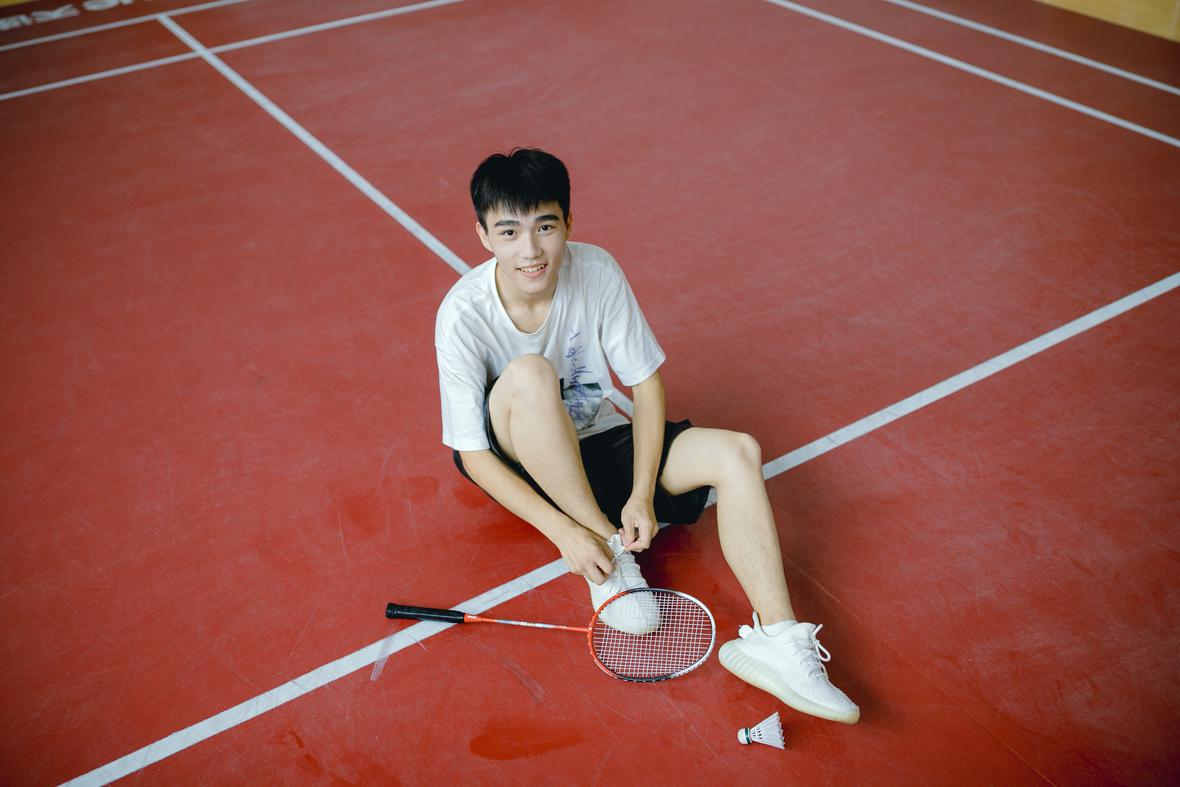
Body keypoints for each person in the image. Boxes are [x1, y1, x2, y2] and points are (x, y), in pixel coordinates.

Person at [434, 148, 859, 724]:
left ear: (568, 223)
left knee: (738, 451)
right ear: (484, 236)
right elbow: (473, 455)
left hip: (597, 438)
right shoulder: (463, 314)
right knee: (531, 374)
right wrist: (565, 533)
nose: (529, 250)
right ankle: (606, 550)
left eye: (545, 227)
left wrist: (639, 494)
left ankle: (777, 638)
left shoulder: (597, 271)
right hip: (521, 455)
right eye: (509, 232)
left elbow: (646, 387)